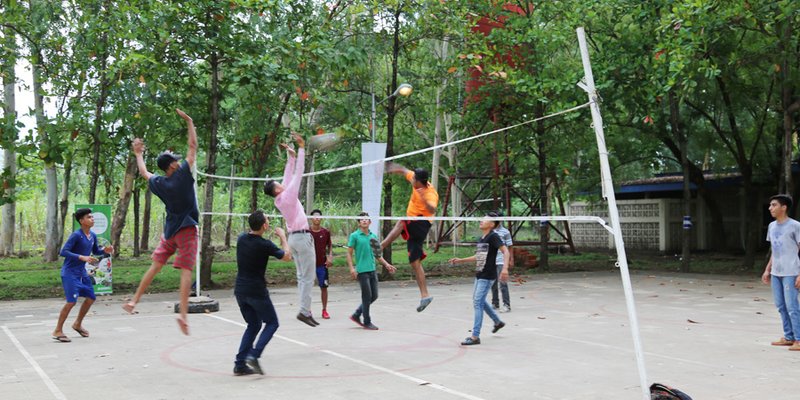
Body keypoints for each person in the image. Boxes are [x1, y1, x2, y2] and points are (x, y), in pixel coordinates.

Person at [123, 108, 199, 336]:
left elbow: (144, 172)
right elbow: (193, 147)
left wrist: (138, 153)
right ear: (173, 166)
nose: (179, 161)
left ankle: (134, 301)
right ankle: (183, 316)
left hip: (170, 231)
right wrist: (189, 121)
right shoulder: (183, 175)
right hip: (186, 228)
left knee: (156, 266)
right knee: (186, 270)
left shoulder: (159, 183)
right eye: (175, 161)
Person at [263, 133, 319, 327]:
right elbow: (298, 175)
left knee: (301, 277)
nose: (281, 183)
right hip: (302, 240)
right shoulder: (287, 196)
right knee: (308, 277)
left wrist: (291, 156)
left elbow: (287, 178)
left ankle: (306, 309)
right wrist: (302, 149)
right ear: (276, 190)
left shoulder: (281, 197)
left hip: (295, 239)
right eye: (278, 184)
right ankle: (305, 311)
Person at [233, 210, 292, 376]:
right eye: (267, 219)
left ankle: (239, 364)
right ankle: (254, 355)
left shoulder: (241, 239)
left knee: (253, 325)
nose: (269, 221)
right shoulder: (264, 245)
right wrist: (283, 237)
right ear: (264, 225)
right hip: (256, 290)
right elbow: (287, 257)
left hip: (240, 290)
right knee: (272, 323)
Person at [381, 162, 439, 312]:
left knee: (401, 222)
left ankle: (380, 246)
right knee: (414, 261)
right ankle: (425, 295)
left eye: (414, 180)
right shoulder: (415, 178)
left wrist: (424, 199)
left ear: (420, 182)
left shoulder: (430, 193)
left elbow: (433, 208)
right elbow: (403, 169)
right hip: (414, 222)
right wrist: (387, 168)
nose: (412, 180)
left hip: (422, 223)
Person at [52, 208, 113, 343]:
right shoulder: (76, 235)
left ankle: (77, 324)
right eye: (89, 217)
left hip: (81, 273)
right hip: (69, 273)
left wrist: (105, 251)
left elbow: (96, 251)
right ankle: (58, 330)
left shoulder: (92, 236)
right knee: (71, 302)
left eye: (92, 217)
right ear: (82, 221)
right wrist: (81, 257)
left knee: (91, 298)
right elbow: (63, 252)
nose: (93, 219)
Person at [449, 214, 509, 346]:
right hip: (480, 274)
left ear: (492, 224)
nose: (481, 221)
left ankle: (475, 336)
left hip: (487, 275)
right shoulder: (482, 238)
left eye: (485, 219)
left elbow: (506, 251)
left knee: (477, 303)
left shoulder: (493, 236)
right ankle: (497, 322)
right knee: (479, 301)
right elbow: (479, 256)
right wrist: (461, 260)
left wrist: (505, 269)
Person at [761, 194, 800, 351]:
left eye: (774, 205)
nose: (770, 208)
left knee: (792, 306)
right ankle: (789, 336)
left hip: (792, 271)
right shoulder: (772, 226)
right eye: (770, 205)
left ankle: (799, 338)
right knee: (781, 305)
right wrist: (767, 269)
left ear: (783, 207)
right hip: (777, 272)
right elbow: (775, 250)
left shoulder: (795, 226)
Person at [347, 212, 396, 330]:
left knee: (374, 296)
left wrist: (387, 264)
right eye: (362, 220)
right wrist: (352, 268)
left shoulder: (373, 236)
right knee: (366, 296)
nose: (364, 221)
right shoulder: (355, 236)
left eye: (366, 219)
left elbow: (378, 255)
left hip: (372, 270)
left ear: (370, 222)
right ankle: (367, 321)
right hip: (362, 271)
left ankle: (357, 314)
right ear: (359, 223)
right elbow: (349, 253)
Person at [309, 209, 334, 319]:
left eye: (319, 216)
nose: (317, 218)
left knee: (324, 287)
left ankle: (324, 310)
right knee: (307, 288)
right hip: (309, 265)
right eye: (314, 216)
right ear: (311, 218)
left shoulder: (325, 232)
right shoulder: (306, 232)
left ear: (321, 218)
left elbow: (330, 246)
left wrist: (330, 257)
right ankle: (307, 311)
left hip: (322, 265)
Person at [489, 211, 513, 313]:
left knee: (503, 283)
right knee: (493, 283)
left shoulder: (505, 232)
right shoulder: (489, 231)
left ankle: (506, 304)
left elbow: (510, 247)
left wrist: (511, 260)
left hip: (501, 260)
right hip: (491, 261)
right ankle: (495, 303)